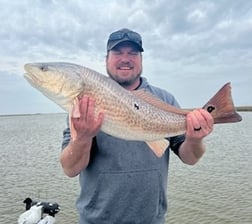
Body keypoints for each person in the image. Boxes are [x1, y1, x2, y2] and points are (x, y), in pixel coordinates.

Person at [60, 28, 214, 224]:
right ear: (106, 59)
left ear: (141, 59)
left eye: (133, 53)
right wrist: (82, 138)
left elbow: (190, 158)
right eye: (117, 52)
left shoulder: (164, 99)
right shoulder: (84, 105)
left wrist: (195, 138)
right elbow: (69, 169)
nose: (126, 59)